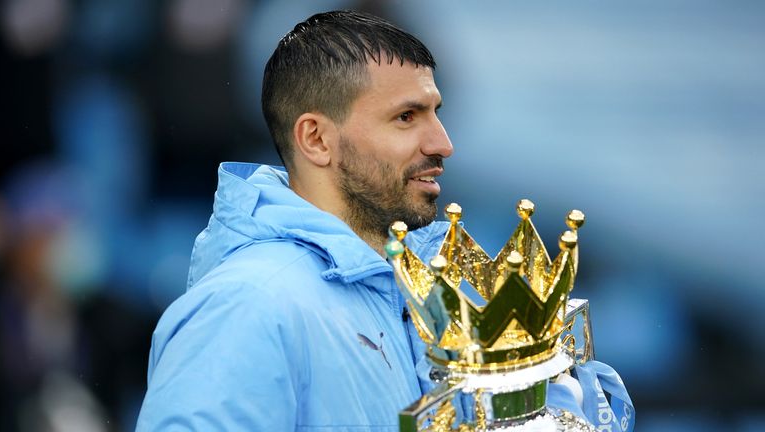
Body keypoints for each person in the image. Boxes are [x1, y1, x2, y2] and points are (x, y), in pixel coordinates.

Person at [136, 10, 633, 431]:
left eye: (436, 112)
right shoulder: (249, 307)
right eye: (406, 117)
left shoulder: (420, 295)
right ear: (316, 139)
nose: (442, 143)